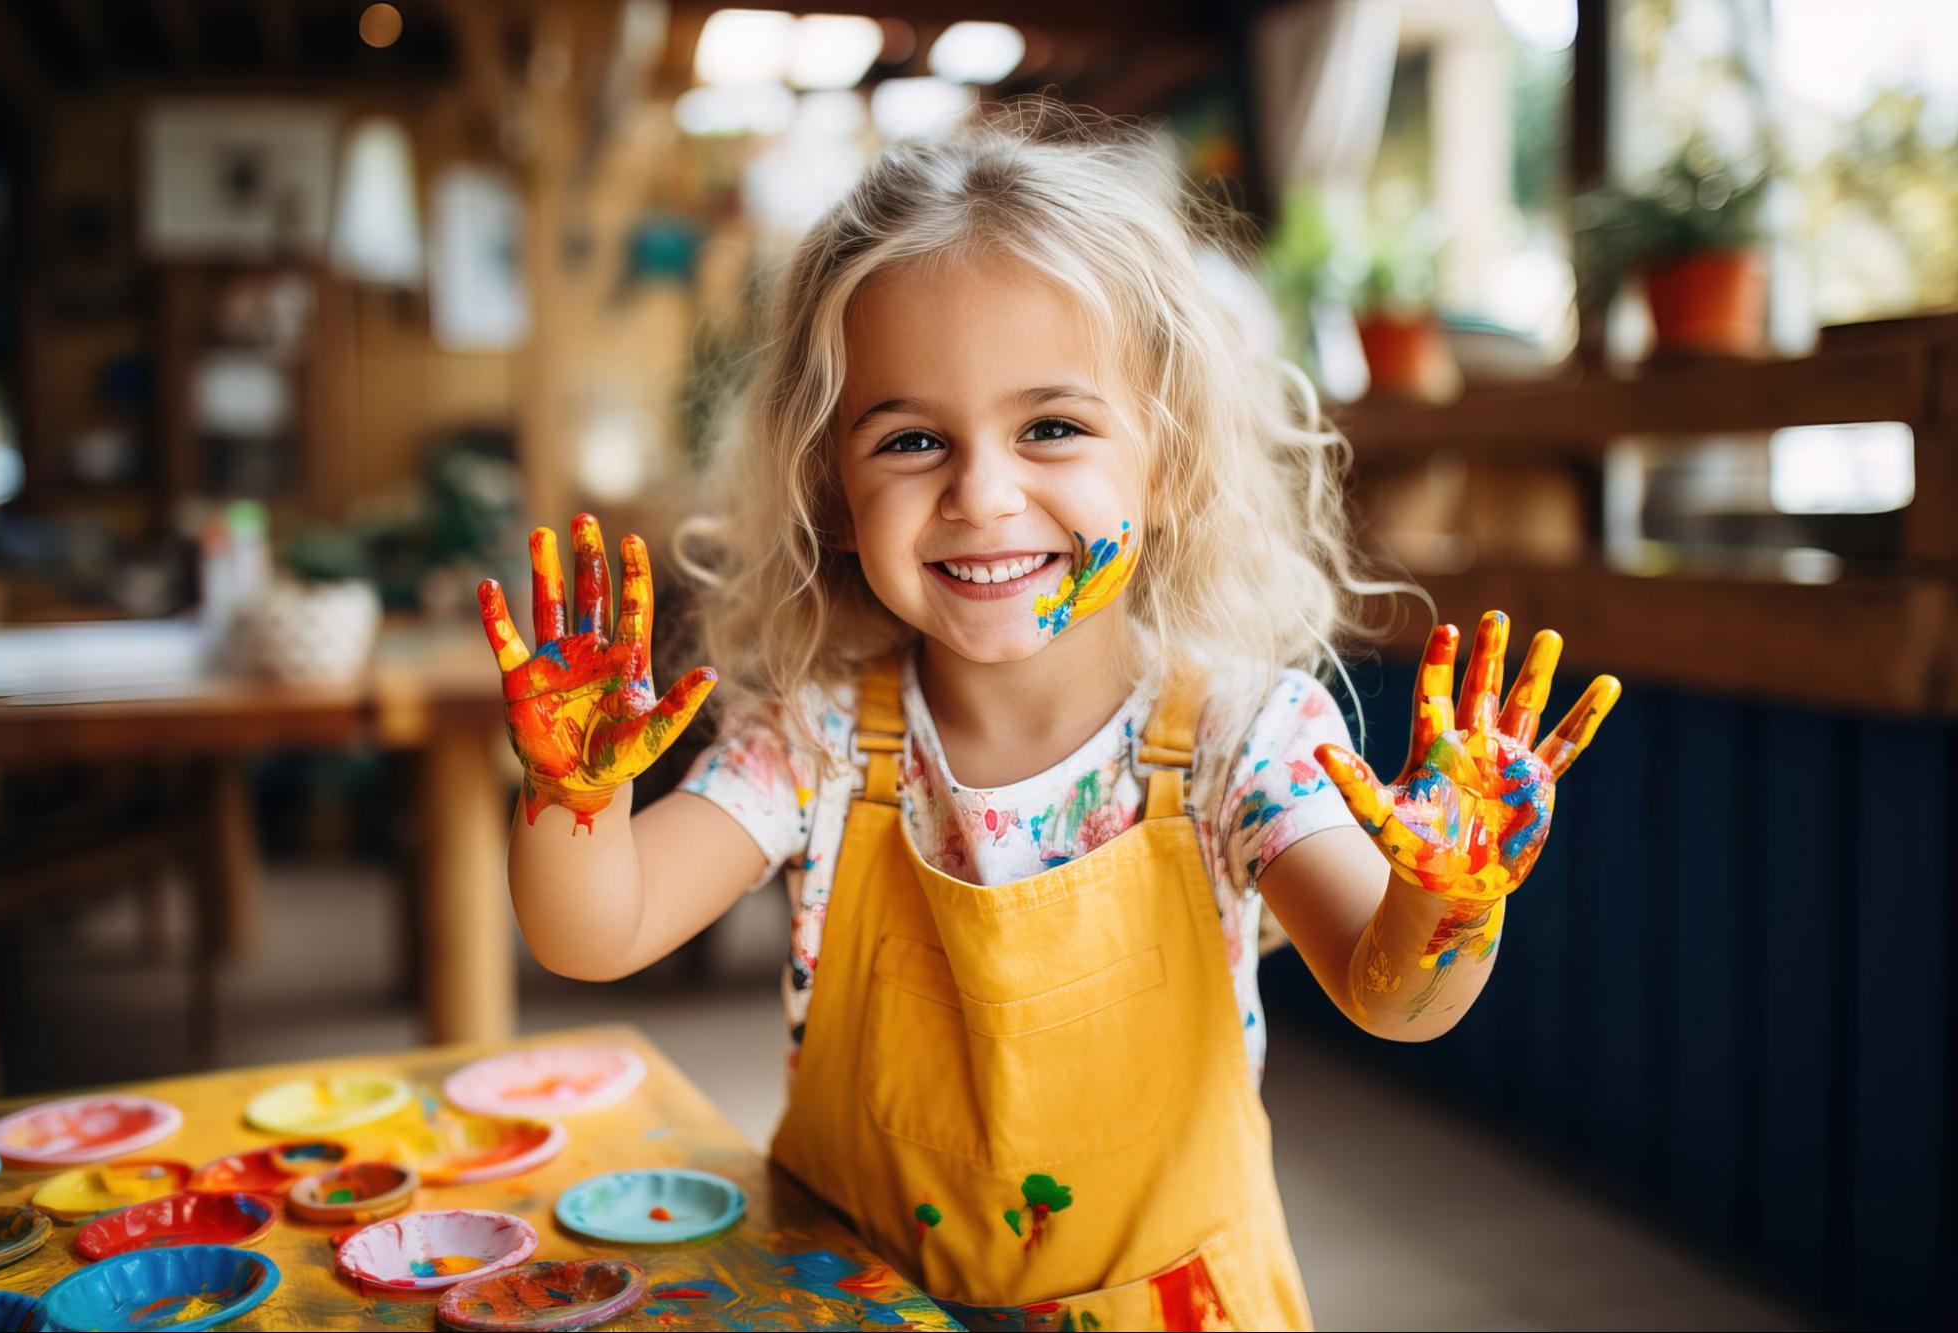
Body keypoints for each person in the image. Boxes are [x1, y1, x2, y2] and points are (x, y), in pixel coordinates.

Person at [477, 102, 1620, 1331]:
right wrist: (575, 795)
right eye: (912, 439)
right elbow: (597, 933)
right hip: (861, 1298)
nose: (981, 493)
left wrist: (1448, 897)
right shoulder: (814, 735)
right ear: (837, 492)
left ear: (1169, 466)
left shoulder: (1246, 737)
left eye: (1052, 428)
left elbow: (1396, 995)